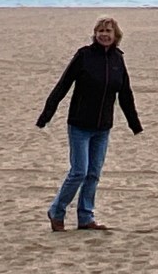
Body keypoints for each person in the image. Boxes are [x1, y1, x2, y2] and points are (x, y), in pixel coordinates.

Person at [37, 15, 143, 232]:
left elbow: (125, 93)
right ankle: (56, 211)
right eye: (100, 31)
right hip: (79, 125)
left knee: (93, 173)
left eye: (108, 31)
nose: (104, 35)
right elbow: (63, 85)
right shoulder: (84, 56)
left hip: (103, 127)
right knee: (79, 172)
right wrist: (46, 115)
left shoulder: (118, 59)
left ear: (116, 35)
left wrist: (134, 124)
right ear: (95, 34)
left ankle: (85, 217)